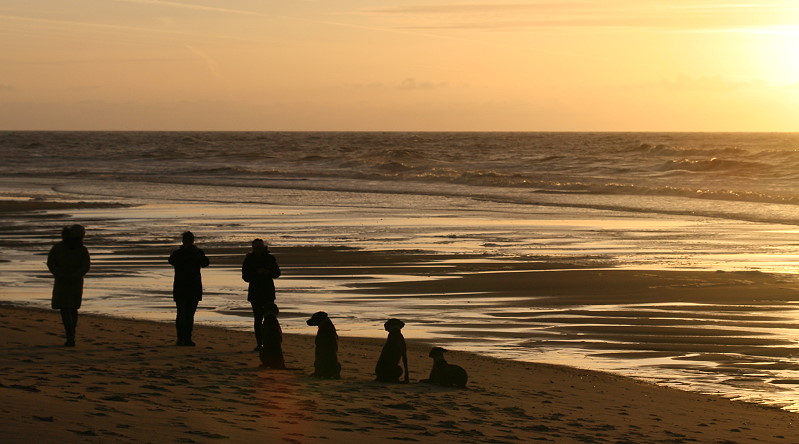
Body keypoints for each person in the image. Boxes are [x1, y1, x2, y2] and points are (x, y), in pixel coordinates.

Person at [47, 224, 90, 347]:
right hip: (69, 282)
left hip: (68, 282)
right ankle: (71, 335)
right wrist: (65, 275)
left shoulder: (78, 249)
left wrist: (63, 275)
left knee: (68, 309)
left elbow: (51, 263)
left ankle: (70, 336)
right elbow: (52, 263)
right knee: (70, 309)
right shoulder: (78, 249)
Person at [168, 231, 210, 346]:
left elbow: (205, 263)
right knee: (186, 314)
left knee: (184, 314)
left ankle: (183, 338)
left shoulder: (181, 253)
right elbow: (205, 263)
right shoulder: (190, 252)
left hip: (185, 286)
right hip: (190, 286)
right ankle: (184, 338)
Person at [241, 238, 281, 351]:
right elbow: (245, 276)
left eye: (260, 247)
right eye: (256, 248)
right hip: (255, 293)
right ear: (253, 248)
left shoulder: (269, 258)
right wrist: (256, 273)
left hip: (268, 292)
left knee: (269, 319)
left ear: (263, 247)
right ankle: (260, 344)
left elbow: (277, 273)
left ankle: (270, 343)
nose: (258, 249)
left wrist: (267, 272)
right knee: (258, 319)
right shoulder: (249, 259)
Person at [375, 318, 409, 383]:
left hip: (379, 371)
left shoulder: (391, 337)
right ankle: (392, 379)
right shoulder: (399, 337)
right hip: (389, 372)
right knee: (399, 370)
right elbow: (404, 357)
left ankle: (385, 377)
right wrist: (407, 376)